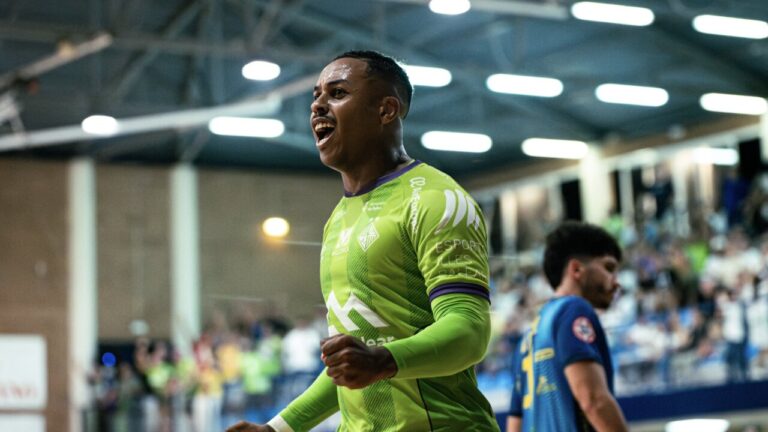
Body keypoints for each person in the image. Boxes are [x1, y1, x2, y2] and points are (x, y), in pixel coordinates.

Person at [226, 50, 499, 432]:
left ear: (386, 110)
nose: (318, 106)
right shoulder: (337, 219)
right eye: (316, 97)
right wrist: (278, 428)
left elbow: (469, 332)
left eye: (337, 93)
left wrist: (382, 361)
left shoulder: (437, 198)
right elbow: (349, 367)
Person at [507, 221, 629, 432]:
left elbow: (515, 423)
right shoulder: (573, 309)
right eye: (608, 268)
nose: (616, 282)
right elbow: (593, 400)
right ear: (576, 269)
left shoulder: (529, 337)